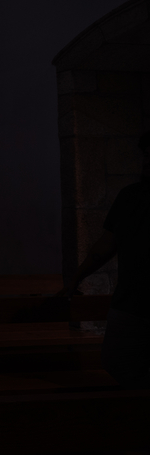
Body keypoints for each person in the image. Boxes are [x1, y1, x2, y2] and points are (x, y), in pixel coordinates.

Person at [58, 131, 150, 388]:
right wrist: (77, 277)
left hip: (132, 303)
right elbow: (106, 245)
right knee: (116, 361)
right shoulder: (131, 197)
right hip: (131, 302)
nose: (147, 162)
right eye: (146, 155)